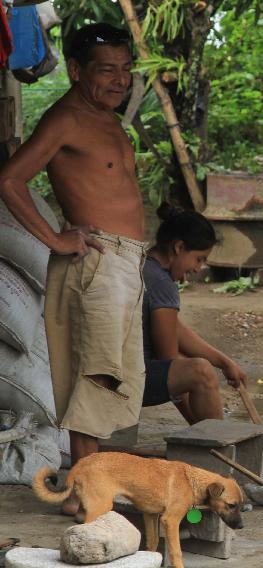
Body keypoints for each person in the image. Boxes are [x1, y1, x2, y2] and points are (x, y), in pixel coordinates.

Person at [0, 23, 144, 518]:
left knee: (111, 378)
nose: (119, 80)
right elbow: (11, 179)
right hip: (96, 263)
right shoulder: (67, 119)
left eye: (126, 69)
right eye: (107, 70)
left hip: (125, 264)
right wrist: (57, 239)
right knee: (95, 379)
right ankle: (86, 496)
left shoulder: (108, 119)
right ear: (77, 70)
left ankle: (90, 488)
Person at [142, 203, 247, 423]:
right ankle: (216, 443)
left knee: (195, 364)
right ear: (178, 247)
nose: (198, 269)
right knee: (201, 371)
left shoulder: (143, 264)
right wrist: (198, 425)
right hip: (131, 381)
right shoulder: (161, 283)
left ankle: (212, 437)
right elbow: (171, 364)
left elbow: (175, 330)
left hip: (119, 374)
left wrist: (224, 362)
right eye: (199, 259)